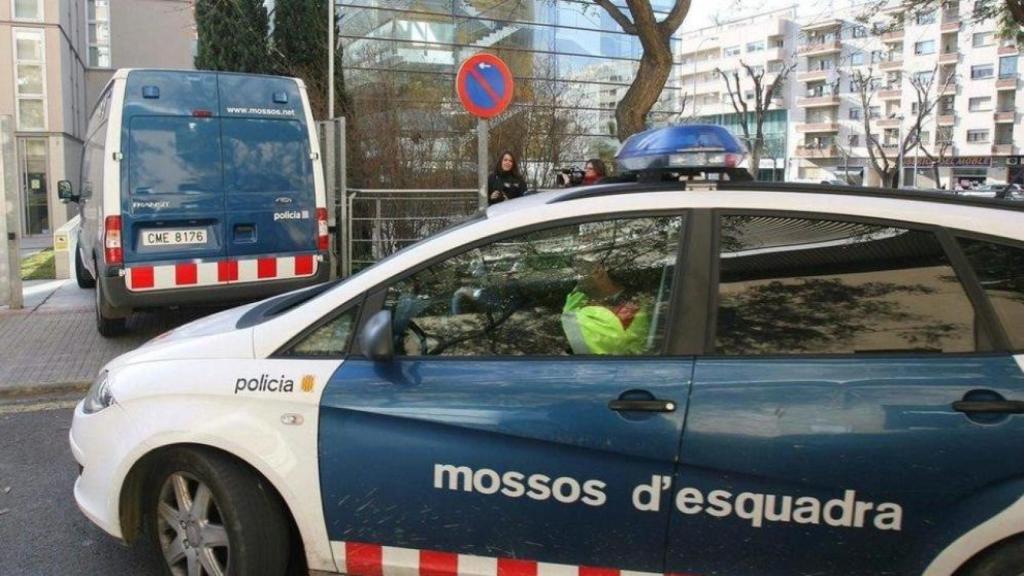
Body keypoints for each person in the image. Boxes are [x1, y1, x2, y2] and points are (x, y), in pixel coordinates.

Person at [561, 254, 650, 355]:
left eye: (581, 272)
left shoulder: (630, 308)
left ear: (598, 271)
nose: (577, 278)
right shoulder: (579, 301)